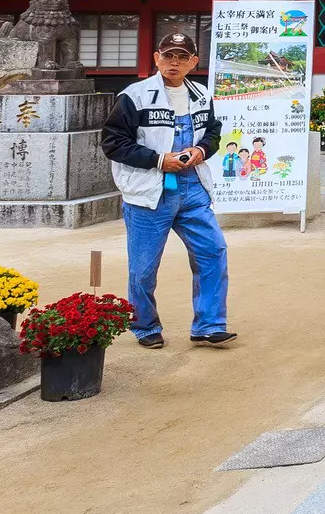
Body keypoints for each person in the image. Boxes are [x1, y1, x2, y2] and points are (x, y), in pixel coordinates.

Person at [100, 32, 234, 349]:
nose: (175, 62)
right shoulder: (135, 96)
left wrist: (201, 150)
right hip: (149, 194)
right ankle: (145, 326)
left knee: (213, 252)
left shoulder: (202, 95)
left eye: (182, 56)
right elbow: (113, 142)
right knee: (144, 269)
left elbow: (213, 133)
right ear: (157, 58)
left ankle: (209, 325)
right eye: (169, 55)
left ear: (193, 63)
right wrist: (159, 160)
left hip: (193, 189)